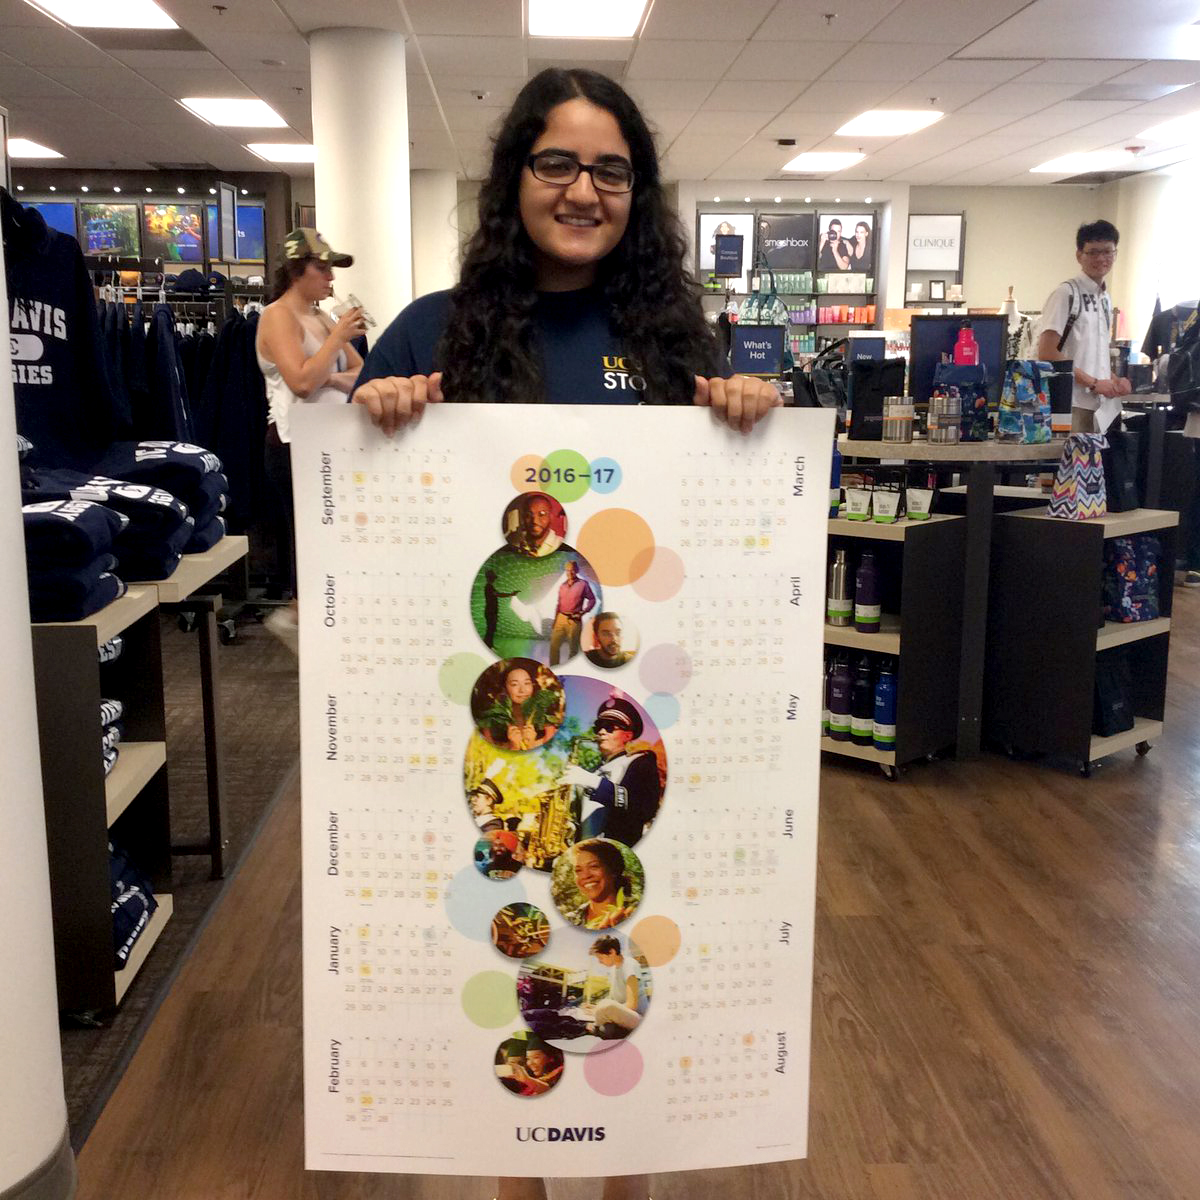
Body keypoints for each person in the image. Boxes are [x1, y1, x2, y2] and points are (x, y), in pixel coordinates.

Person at [350, 64, 777, 1200]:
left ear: (636, 193)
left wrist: (741, 416)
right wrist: (375, 409)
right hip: (489, 713)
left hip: (624, 715)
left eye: (611, 171)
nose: (584, 190)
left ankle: (626, 1175)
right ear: (515, 177)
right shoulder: (434, 331)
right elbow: (362, 521)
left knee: (617, 929)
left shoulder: (675, 336)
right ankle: (518, 1180)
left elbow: (719, 541)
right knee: (517, 939)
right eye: (558, 163)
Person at [255, 229, 366, 651]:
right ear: (297, 269)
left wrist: (331, 367)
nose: (331, 279)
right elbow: (302, 382)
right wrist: (337, 341)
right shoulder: (277, 316)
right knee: (310, 539)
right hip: (293, 444)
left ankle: (310, 620)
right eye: (323, 269)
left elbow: (362, 373)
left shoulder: (320, 317)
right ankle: (299, 617)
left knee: (332, 539)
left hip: (330, 443)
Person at [1035, 219, 1131, 434]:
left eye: (1107, 252)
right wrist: (1094, 382)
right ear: (1079, 255)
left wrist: (1115, 381)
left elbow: (1093, 356)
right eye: (1093, 252)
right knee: (1070, 466)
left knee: (1098, 467)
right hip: (1070, 404)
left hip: (1100, 406)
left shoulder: (1105, 298)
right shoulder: (1066, 294)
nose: (1101, 259)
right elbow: (1047, 352)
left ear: (1115, 254)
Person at [563, 697, 660, 846]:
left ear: (628, 735)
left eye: (609, 727)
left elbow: (645, 807)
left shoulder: (640, 762)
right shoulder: (591, 771)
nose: (601, 732)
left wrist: (593, 782)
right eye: (598, 727)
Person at [481, 662, 561, 751]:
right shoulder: (490, 726)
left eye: (527, 683)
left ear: (533, 686)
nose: (522, 690)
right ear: (505, 689)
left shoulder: (547, 727)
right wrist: (514, 746)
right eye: (514, 684)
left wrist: (530, 745)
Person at [566, 838, 637, 930]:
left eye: (593, 866)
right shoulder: (570, 919)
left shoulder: (635, 912)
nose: (585, 876)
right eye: (578, 870)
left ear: (613, 870)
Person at [587, 935, 648, 1038]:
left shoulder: (630, 965)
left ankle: (596, 1027)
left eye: (601, 958)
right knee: (605, 1018)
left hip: (639, 1018)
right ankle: (607, 1029)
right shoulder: (613, 970)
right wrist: (595, 1008)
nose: (600, 962)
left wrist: (600, 1009)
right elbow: (614, 1001)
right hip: (622, 1017)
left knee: (605, 1006)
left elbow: (632, 1005)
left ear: (612, 952)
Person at [549, 559, 596, 664]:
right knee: (554, 646)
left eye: (572, 570)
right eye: (567, 570)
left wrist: (583, 612)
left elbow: (592, 599)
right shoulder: (562, 586)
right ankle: (554, 669)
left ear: (577, 570)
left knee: (573, 650)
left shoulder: (583, 584)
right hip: (560, 618)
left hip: (574, 620)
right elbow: (559, 604)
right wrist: (555, 619)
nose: (569, 572)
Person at [507, 492, 563, 556]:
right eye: (528, 515)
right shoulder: (514, 546)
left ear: (551, 517)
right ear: (523, 518)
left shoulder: (562, 546)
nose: (535, 521)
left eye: (542, 514)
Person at [500, 1042, 564, 1097]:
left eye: (536, 1057)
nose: (530, 1063)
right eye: (528, 1059)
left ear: (551, 1058)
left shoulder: (561, 1073)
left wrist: (527, 1079)